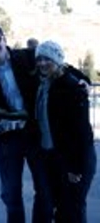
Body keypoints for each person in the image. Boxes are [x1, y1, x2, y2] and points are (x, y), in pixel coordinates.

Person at [0, 23, 56, 223]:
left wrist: (81, 80)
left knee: (44, 188)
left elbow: (58, 65)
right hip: (7, 138)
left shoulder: (27, 57)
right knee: (10, 193)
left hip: (34, 133)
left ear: (4, 39)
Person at [34, 40, 97, 223]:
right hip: (55, 156)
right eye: (39, 59)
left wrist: (75, 167)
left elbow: (82, 132)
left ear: (57, 60)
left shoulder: (71, 87)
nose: (42, 63)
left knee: (72, 210)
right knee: (62, 207)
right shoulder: (45, 83)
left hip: (74, 160)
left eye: (47, 59)